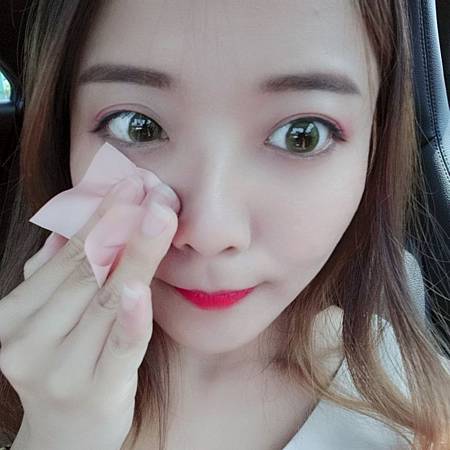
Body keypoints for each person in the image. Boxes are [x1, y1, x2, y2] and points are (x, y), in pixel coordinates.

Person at [0, 0, 449, 449]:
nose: (210, 234)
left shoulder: (419, 409)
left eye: (303, 134)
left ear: (374, 148)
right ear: (62, 135)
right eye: (139, 127)